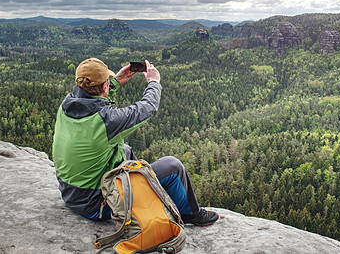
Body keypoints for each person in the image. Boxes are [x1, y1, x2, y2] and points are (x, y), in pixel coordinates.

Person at [52, 57, 219, 226]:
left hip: (71, 196)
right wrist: (154, 82)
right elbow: (148, 107)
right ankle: (190, 214)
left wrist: (116, 82)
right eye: (107, 83)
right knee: (173, 167)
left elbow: (89, 98)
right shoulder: (106, 121)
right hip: (97, 206)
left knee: (125, 149)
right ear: (104, 86)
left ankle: (143, 191)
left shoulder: (66, 105)